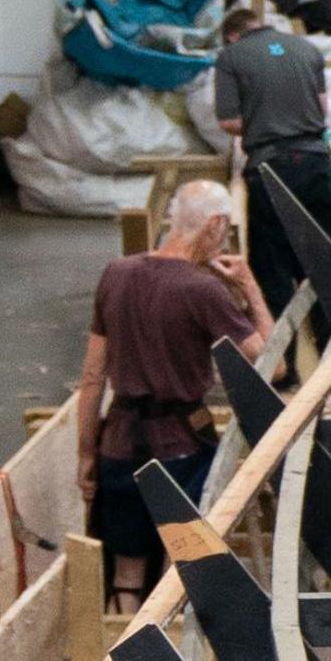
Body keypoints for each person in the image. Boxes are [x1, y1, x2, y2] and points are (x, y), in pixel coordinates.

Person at [74, 181, 275, 607]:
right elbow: (271, 364)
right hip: (181, 453)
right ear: (215, 225)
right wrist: (250, 287)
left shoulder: (116, 273)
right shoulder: (203, 290)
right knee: (181, 564)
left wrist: (86, 454)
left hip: (118, 450)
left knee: (127, 572)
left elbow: (92, 379)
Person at [213, 8, 331, 314]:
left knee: (273, 264)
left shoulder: (231, 57)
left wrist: (263, 120)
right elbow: (322, 107)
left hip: (273, 168)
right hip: (318, 164)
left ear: (232, 35)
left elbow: (229, 121)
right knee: (323, 259)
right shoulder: (307, 48)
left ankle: (285, 354)